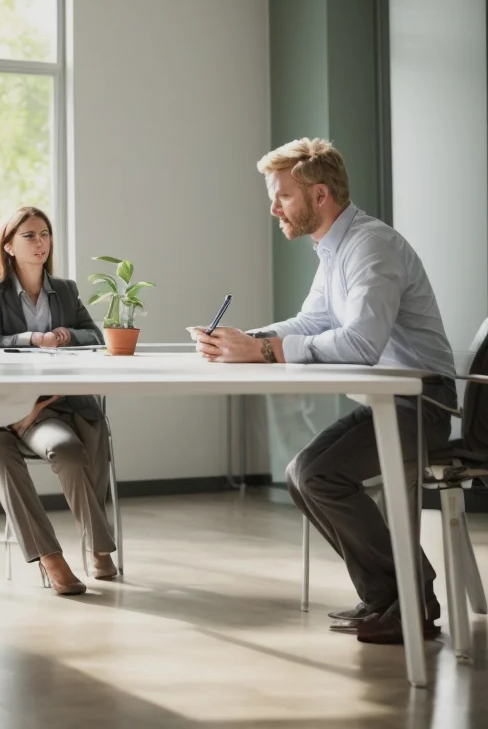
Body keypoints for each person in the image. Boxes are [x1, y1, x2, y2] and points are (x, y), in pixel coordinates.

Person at [190, 138, 456, 644]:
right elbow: (314, 320)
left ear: (319, 195)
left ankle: (413, 599)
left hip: (424, 403)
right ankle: (387, 598)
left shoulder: (370, 246)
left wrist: (264, 352)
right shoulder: (334, 247)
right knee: (304, 474)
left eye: (282, 196)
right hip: (392, 399)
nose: (273, 209)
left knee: (317, 475)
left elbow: (360, 342)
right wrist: (246, 339)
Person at [0, 206, 117, 595]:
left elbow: (95, 335)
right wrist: (32, 339)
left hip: (67, 402)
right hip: (21, 406)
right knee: (62, 448)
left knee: (81, 440)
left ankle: (97, 546)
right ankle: (60, 557)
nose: (40, 243)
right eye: (30, 236)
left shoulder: (65, 289)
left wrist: (67, 334)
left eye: (45, 234)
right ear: (9, 246)